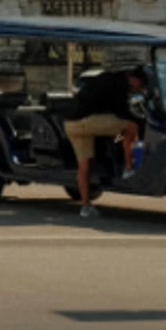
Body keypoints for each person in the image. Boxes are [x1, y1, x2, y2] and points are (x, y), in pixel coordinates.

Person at [65, 64, 144, 218]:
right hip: (86, 121)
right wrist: (139, 121)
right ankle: (128, 168)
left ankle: (86, 206)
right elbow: (121, 111)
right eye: (139, 85)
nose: (139, 88)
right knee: (131, 127)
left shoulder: (107, 79)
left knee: (84, 166)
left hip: (71, 123)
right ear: (132, 78)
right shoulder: (119, 85)